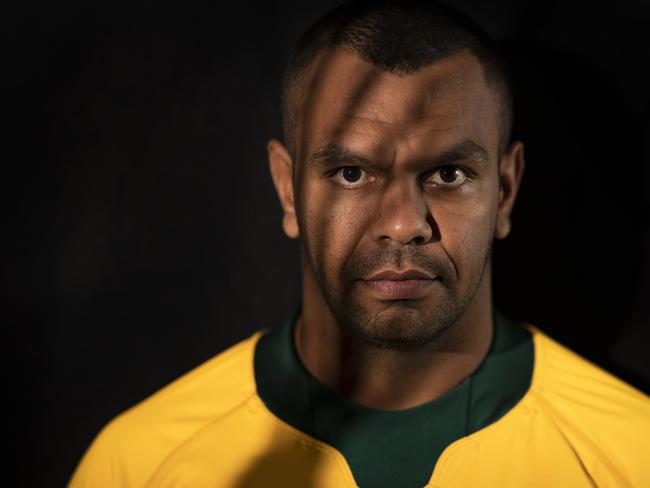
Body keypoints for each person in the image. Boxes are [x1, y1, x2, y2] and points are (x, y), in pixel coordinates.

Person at [68, 1, 650, 486]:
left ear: (504, 191)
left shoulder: (632, 453)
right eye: (351, 172)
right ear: (288, 190)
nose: (402, 225)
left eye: (448, 174)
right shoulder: (137, 464)